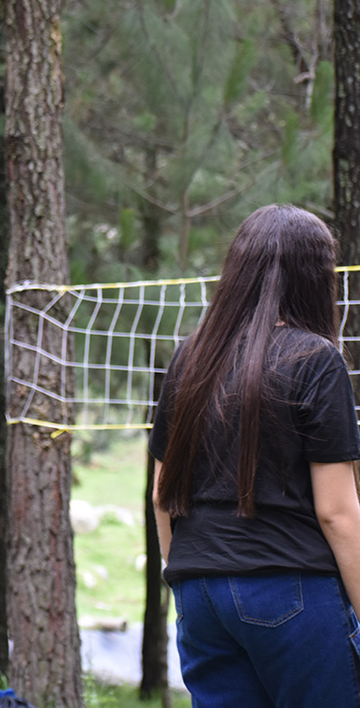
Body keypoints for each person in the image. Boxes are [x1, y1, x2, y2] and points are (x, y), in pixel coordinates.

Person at [151, 205, 360, 706]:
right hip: (289, 588)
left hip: (199, 593)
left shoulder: (190, 355)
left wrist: (190, 576)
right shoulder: (316, 359)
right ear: (316, 276)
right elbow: (337, 514)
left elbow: (161, 495)